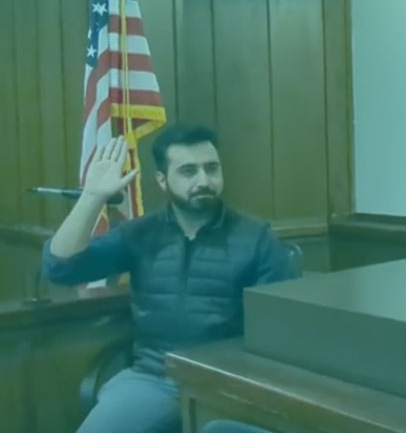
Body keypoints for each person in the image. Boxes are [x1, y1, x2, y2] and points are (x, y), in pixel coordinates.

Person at [43, 124, 298, 433]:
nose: (204, 180)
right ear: (162, 181)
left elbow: (280, 335)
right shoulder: (140, 233)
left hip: (228, 385)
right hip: (154, 378)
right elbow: (61, 268)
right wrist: (93, 198)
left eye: (211, 168)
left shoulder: (256, 238)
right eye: (189, 171)